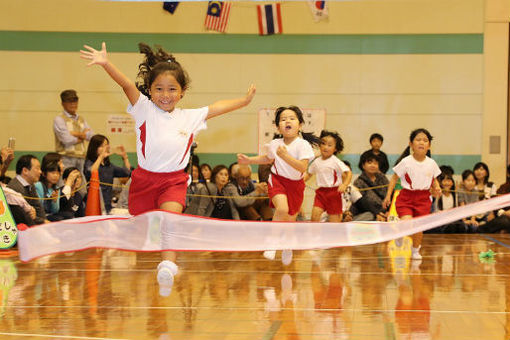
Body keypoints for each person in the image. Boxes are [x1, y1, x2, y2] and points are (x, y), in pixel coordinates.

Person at [80, 41, 255, 296]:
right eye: (159, 88)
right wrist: (107, 63)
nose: (165, 94)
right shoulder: (144, 109)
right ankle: (155, 248)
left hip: (173, 180)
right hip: (144, 180)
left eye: (172, 89)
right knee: (145, 223)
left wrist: (244, 101)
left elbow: (216, 107)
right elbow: (127, 84)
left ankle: (167, 263)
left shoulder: (189, 117)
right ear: (150, 90)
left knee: (170, 220)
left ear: (182, 91)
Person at [238, 106, 319, 265]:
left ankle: (287, 246)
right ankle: (272, 243)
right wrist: (250, 160)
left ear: (300, 124)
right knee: (281, 209)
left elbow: (302, 167)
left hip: (295, 186)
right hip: (277, 180)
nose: (287, 121)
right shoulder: (275, 143)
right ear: (277, 127)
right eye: (283, 119)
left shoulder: (303, 145)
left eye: (291, 118)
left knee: (289, 221)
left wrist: (285, 156)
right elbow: (267, 159)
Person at [382, 128, 442, 260]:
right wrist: (388, 196)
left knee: (419, 229)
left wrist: (437, 188)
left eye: (425, 140)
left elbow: (434, 180)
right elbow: (393, 179)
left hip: (424, 199)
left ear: (429, 145)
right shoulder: (406, 162)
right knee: (407, 223)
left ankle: (415, 250)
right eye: (418, 139)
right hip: (406, 198)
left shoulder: (431, 163)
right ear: (411, 144)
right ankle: (399, 232)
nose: (422, 142)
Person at [306, 130, 351, 223]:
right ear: (319, 145)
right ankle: (314, 237)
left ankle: (335, 237)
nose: (326, 147)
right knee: (314, 217)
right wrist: (299, 183)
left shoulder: (335, 161)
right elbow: (308, 174)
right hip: (321, 193)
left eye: (329, 145)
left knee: (334, 223)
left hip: (334, 193)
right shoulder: (316, 161)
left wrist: (345, 184)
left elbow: (348, 173)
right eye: (323, 143)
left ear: (335, 149)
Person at [83, 134, 131, 214]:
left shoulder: (109, 165)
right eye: (101, 146)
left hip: (108, 206)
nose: (105, 149)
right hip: (94, 206)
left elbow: (126, 172)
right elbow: (91, 172)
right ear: (94, 148)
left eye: (106, 146)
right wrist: (101, 157)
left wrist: (124, 157)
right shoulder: (89, 162)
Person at [53, 89, 94, 171]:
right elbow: (66, 140)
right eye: (69, 101)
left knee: (82, 183)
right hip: (66, 158)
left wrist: (75, 133)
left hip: (82, 158)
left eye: (75, 101)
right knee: (66, 182)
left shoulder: (81, 119)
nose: (73, 104)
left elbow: (91, 136)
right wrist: (83, 135)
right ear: (62, 104)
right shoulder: (59, 119)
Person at [7, 155, 48, 225]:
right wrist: (43, 222)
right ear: (25, 171)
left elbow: (38, 207)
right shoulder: (15, 188)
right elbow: (25, 216)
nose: (40, 172)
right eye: (37, 168)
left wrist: (44, 221)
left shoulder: (30, 184)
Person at [353, 152, 389, 221]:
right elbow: (362, 204)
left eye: (375, 163)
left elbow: (391, 194)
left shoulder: (383, 178)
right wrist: (377, 213)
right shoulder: (359, 182)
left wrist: (390, 210)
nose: (373, 165)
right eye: (369, 163)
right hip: (370, 214)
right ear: (363, 165)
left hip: (386, 213)